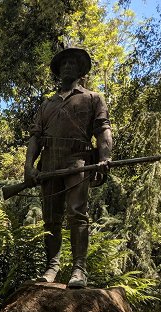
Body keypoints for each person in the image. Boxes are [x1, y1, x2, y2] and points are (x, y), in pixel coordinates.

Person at [24, 47, 113, 288]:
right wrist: (28, 167)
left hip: (78, 162)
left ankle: (79, 269)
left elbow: (103, 129)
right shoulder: (47, 105)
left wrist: (105, 156)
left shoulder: (93, 98)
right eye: (63, 64)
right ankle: (52, 267)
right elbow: (35, 137)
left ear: (81, 70)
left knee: (77, 214)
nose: (67, 67)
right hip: (50, 164)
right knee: (51, 219)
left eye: (72, 63)